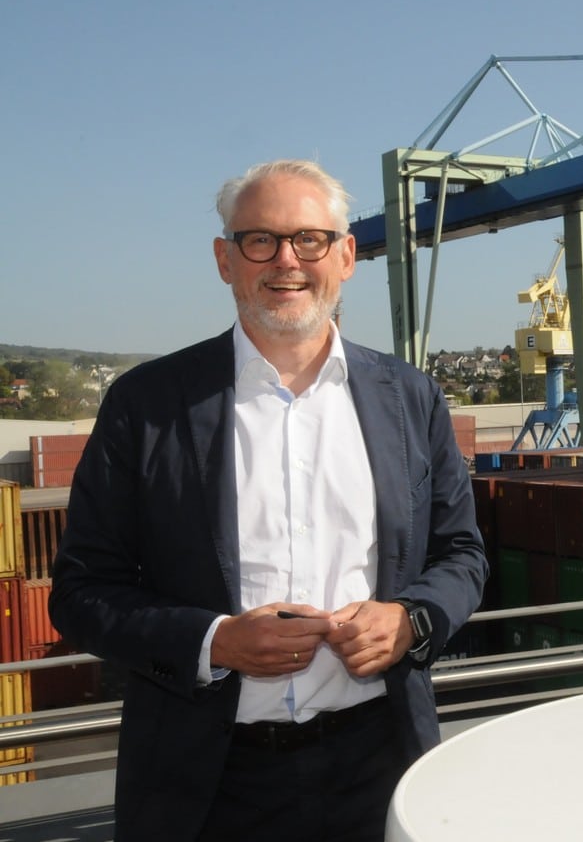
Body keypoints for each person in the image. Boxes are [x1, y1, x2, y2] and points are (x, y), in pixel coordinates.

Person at [49, 159, 488, 841]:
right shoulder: (146, 405)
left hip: (381, 763)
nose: (287, 260)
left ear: (346, 256)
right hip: (206, 785)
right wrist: (215, 640)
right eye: (260, 239)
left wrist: (410, 620)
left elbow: (461, 554)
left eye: (310, 238)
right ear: (225, 260)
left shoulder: (412, 398)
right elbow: (81, 592)